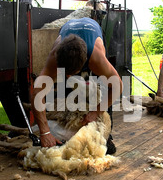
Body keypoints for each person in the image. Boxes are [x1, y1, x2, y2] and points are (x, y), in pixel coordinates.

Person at [31, 17, 122, 153]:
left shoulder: (96, 58)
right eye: (65, 72)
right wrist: (44, 132)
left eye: (71, 73)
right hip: (68, 30)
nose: (68, 76)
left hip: (93, 31)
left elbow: (117, 85)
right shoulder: (55, 56)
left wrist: (96, 111)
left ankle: (106, 137)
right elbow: (36, 92)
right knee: (68, 89)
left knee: (102, 88)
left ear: (85, 64)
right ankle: (68, 129)